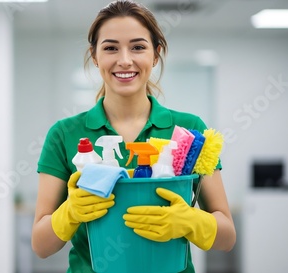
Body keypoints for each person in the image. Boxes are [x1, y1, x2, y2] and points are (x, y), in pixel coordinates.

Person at [31, 1, 236, 272]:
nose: (125, 59)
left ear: (155, 54)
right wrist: (69, 212)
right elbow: (41, 246)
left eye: (138, 47)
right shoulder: (64, 134)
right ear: (95, 56)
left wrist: (191, 221)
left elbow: (227, 237)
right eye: (111, 48)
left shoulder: (188, 129)